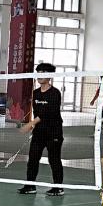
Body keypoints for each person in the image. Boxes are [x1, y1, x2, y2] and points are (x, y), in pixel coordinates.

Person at [18, 62, 65, 197]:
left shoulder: (55, 93)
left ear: (50, 76)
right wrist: (32, 125)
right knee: (32, 159)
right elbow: (37, 112)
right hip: (39, 133)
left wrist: (31, 123)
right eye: (38, 73)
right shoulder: (36, 93)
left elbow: (48, 112)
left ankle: (58, 188)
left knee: (54, 160)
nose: (40, 75)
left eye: (43, 73)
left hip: (54, 132)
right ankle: (30, 186)